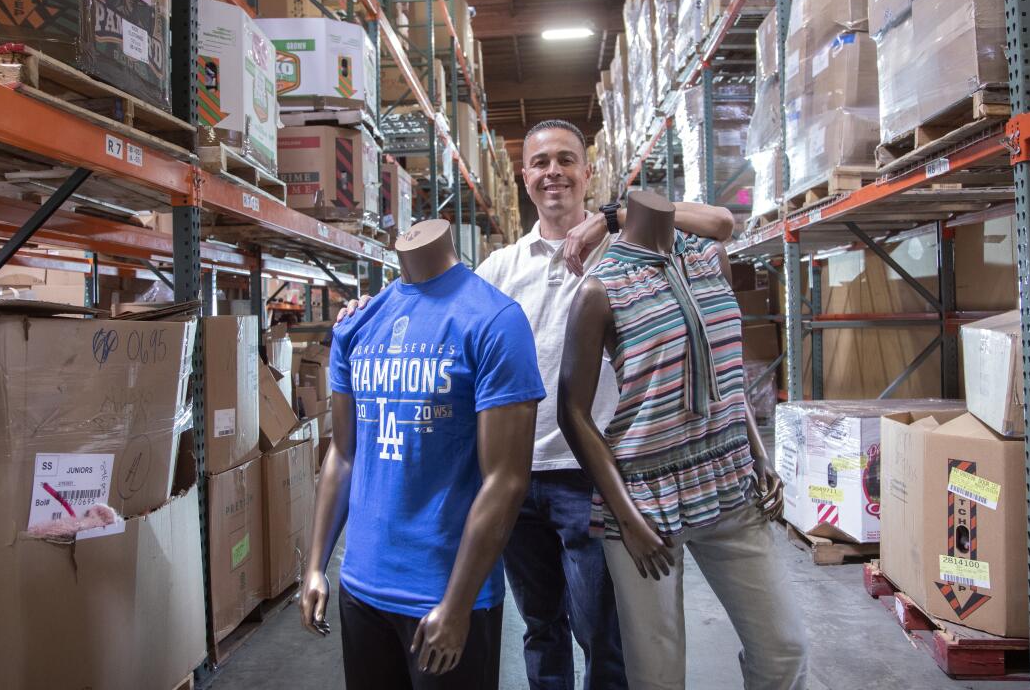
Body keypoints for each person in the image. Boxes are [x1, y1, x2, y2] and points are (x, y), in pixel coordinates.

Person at [341, 120, 735, 689]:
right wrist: (366, 314)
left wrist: (614, 215)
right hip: (517, 482)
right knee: (540, 626)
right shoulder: (501, 269)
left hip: (591, 479)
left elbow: (721, 225)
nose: (554, 172)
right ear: (525, 177)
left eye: (567, 160)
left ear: (588, 171)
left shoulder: (628, 251)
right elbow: (434, 308)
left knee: (602, 632)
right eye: (542, 162)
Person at [557, 190, 807, 690]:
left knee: (784, 650)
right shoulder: (600, 290)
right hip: (646, 503)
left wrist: (759, 456)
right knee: (658, 675)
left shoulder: (710, 259)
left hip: (731, 487)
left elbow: (727, 375)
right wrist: (626, 518)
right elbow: (572, 412)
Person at [301, 220, 544, 689]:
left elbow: (507, 480)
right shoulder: (358, 325)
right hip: (361, 587)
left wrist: (457, 603)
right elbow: (343, 454)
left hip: (445, 592)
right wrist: (315, 566)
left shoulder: (495, 321)